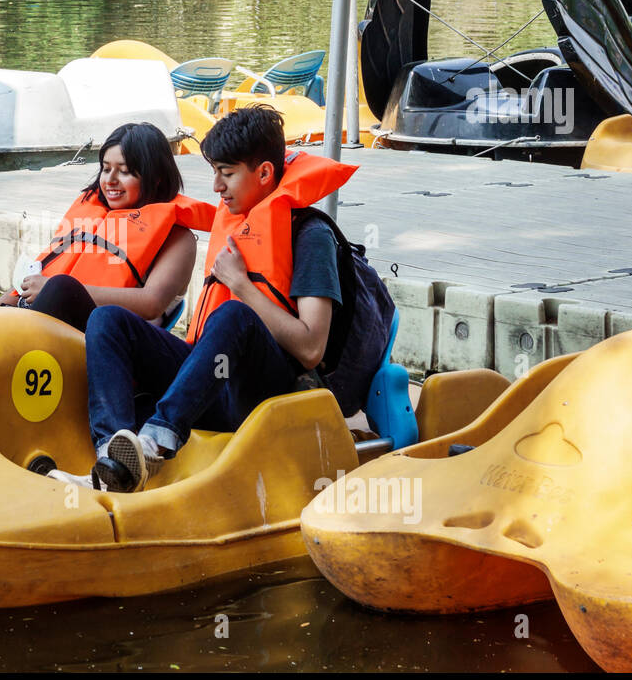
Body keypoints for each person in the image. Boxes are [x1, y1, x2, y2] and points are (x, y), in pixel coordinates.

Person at [52, 104, 393, 493]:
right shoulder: (235, 227)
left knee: (234, 314)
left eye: (226, 174)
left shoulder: (310, 236)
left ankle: (153, 442)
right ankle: (112, 461)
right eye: (214, 172)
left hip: (267, 396)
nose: (216, 187)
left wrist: (243, 285)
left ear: (264, 173)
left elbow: (311, 347)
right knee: (108, 321)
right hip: (213, 381)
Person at [0, 122, 213, 338]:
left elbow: (151, 304)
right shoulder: (92, 218)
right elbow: (45, 268)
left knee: (59, 287)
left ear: (156, 179)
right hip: (38, 320)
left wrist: (59, 289)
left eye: (124, 171)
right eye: (106, 168)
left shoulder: (178, 238)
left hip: (100, 341)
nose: (110, 180)